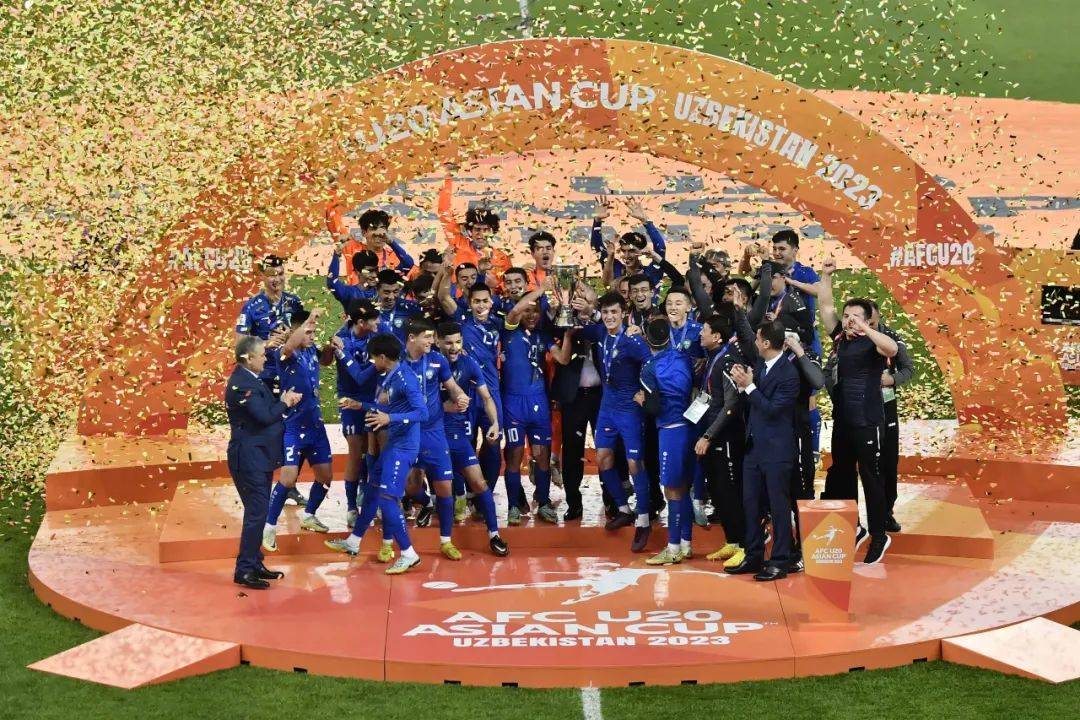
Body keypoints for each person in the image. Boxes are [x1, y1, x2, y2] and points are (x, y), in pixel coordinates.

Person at [817, 257, 898, 564]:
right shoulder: (840, 337)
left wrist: (866, 328)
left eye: (855, 316)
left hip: (867, 420)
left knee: (871, 478)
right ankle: (855, 527)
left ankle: (879, 534)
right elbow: (825, 306)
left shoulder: (875, 342)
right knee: (842, 475)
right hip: (843, 421)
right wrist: (826, 276)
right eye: (847, 315)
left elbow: (892, 349)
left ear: (867, 320)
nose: (849, 320)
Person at [324, 333, 427, 574]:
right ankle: (353, 541)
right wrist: (360, 405)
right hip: (393, 446)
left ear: (382, 357)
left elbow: (422, 413)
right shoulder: (390, 376)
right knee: (372, 490)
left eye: (373, 358)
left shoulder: (406, 379)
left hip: (403, 448)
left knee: (388, 498)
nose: (372, 363)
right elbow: (385, 407)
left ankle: (409, 554)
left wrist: (390, 418)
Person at [725, 319, 801, 581]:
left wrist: (749, 386)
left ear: (767, 343)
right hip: (754, 449)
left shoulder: (789, 374)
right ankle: (754, 555)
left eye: (758, 339)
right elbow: (754, 401)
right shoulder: (760, 365)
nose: (755, 343)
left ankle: (780, 560)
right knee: (751, 504)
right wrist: (742, 385)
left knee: (779, 507)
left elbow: (772, 410)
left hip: (777, 452)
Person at [579, 292, 654, 548]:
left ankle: (643, 521)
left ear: (624, 313)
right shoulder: (600, 332)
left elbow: (650, 363)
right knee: (603, 459)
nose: (610, 317)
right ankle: (623, 509)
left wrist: (644, 391)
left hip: (629, 408)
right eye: (606, 312)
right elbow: (578, 326)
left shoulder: (633, 340)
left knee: (634, 463)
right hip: (607, 406)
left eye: (614, 312)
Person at [225, 335, 301, 589]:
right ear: (248, 358)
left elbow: (268, 409)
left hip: (259, 457)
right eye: (261, 355)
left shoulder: (252, 379)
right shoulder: (241, 384)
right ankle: (245, 569)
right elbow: (264, 416)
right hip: (249, 458)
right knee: (256, 514)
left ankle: (255, 563)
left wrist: (283, 400)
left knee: (257, 513)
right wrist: (284, 403)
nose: (265, 359)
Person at [234, 254, 307, 506]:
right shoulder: (252, 307)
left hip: (291, 375)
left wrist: (293, 338)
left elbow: (304, 334)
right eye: (271, 275)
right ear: (262, 276)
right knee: (268, 432)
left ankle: (289, 486)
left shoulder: (294, 302)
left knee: (293, 431)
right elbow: (239, 346)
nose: (277, 279)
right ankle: (261, 486)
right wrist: (266, 343)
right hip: (265, 379)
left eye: (280, 274)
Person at [262, 308, 337, 553]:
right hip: (293, 427)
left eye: (314, 332)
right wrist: (310, 319)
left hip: (315, 426)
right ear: (294, 331)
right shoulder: (283, 355)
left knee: (326, 477)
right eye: (308, 332)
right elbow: (290, 345)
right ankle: (269, 526)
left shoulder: (310, 351)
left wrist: (330, 349)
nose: (312, 336)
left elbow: (325, 361)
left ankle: (309, 515)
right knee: (288, 478)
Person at [500, 281, 575, 524]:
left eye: (536, 311)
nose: (531, 315)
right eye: (528, 310)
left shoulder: (543, 336)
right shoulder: (509, 330)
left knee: (542, 455)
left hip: (539, 403)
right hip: (513, 404)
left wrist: (568, 335)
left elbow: (563, 359)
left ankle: (543, 502)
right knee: (514, 455)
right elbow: (514, 311)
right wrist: (543, 288)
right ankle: (513, 506)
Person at [399, 318, 472, 559]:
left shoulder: (438, 360)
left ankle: (446, 541)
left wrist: (460, 396)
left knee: (444, 487)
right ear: (412, 338)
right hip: (409, 432)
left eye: (433, 336)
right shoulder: (398, 362)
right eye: (428, 337)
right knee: (411, 485)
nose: (432, 341)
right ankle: (425, 503)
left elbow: (452, 386)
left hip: (435, 432)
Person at [436, 320, 509, 555]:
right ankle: (428, 507)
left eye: (458, 342)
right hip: (431, 434)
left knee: (479, 483)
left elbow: (486, 398)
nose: (454, 347)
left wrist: (495, 423)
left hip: (457, 433)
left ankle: (494, 535)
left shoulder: (469, 364)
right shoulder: (427, 365)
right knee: (419, 485)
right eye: (449, 343)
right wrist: (443, 407)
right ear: (437, 341)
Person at [637, 318, 696, 564]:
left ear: (647, 339)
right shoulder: (683, 357)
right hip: (690, 427)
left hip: (670, 430)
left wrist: (641, 401)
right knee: (684, 487)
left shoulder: (649, 368)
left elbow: (654, 407)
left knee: (671, 489)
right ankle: (685, 544)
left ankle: (672, 549)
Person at [695, 307, 749, 568]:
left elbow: (731, 404)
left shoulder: (727, 361)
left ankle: (746, 546)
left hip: (727, 437)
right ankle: (733, 540)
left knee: (730, 492)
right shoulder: (711, 359)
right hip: (714, 435)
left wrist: (708, 435)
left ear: (716, 336)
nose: (700, 334)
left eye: (704, 331)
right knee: (717, 490)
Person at [330, 299, 385, 529]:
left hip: (375, 399)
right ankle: (352, 507)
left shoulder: (379, 334)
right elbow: (358, 377)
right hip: (351, 401)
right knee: (355, 451)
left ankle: (373, 499)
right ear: (361, 322)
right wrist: (334, 349)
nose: (378, 322)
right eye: (373, 319)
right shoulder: (341, 338)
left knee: (375, 450)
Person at [870, 303, 915, 532]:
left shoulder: (892, 338)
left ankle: (886, 512)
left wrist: (892, 380)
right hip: (857, 408)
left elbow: (908, 369)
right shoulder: (849, 337)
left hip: (886, 405)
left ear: (879, 317)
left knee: (888, 460)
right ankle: (851, 517)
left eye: (872, 322)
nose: (869, 327)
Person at [438, 177, 511, 280]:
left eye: (486, 230)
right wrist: (448, 178)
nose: (481, 234)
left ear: (492, 232)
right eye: (477, 229)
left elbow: (506, 285)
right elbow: (444, 213)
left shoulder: (501, 258)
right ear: (470, 231)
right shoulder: (459, 244)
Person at [591, 196, 668, 286]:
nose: (626, 255)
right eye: (624, 251)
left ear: (642, 251)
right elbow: (597, 248)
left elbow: (661, 248)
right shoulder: (615, 268)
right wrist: (597, 221)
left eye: (632, 251)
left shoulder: (652, 272)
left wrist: (645, 221)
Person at [357, 208, 416, 272]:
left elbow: (409, 265)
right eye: (373, 228)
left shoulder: (394, 256)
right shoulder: (355, 252)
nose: (379, 233)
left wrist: (392, 243)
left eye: (382, 228)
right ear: (364, 233)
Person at [374, 268, 420, 342]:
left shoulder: (411, 307)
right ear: (377, 289)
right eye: (386, 292)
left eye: (395, 291)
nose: (391, 297)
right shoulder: (369, 310)